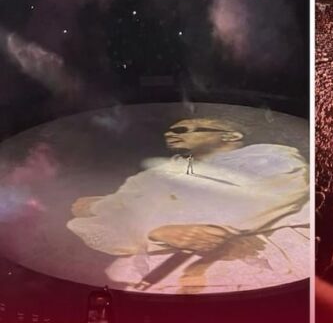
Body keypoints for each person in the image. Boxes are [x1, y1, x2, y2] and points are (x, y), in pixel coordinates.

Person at [67, 117, 310, 294]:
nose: (171, 134)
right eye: (170, 130)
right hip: (160, 273)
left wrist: (139, 215)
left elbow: (246, 201)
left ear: (230, 136)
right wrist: (152, 229)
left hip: (256, 264)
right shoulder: (158, 174)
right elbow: (105, 216)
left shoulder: (271, 158)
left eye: (183, 129)